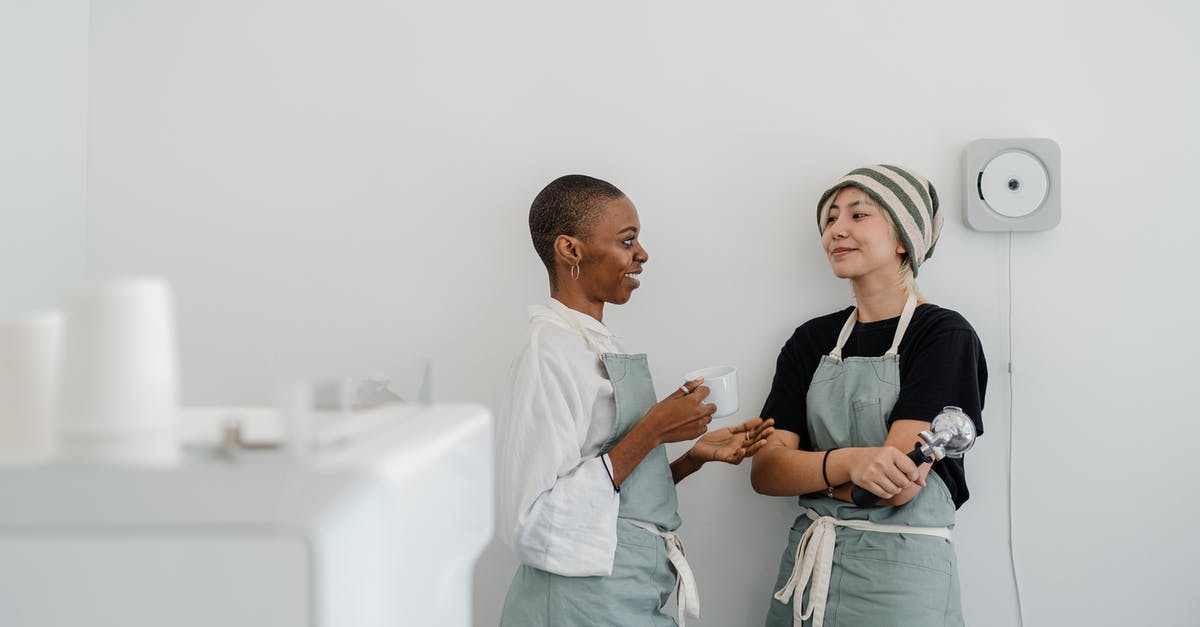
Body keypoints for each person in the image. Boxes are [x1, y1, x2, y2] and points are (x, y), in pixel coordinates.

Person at [497, 174, 775, 627]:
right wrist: (652, 430)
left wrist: (690, 459)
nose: (642, 254)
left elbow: (609, 500)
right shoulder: (549, 352)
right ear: (570, 250)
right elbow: (535, 521)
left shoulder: (597, 343)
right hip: (577, 604)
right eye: (628, 240)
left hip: (623, 590)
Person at [751, 165, 987, 627]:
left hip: (900, 575)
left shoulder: (943, 335)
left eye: (859, 215)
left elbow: (891, 488)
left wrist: (814, 472)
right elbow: (766, 471)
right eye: (830, 219)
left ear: (904, 240)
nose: (836, 230)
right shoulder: (810, 340)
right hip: (808, 569)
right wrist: (853, 465)